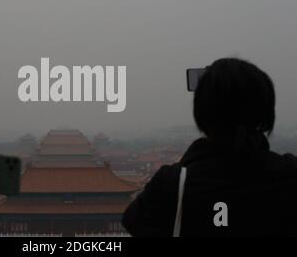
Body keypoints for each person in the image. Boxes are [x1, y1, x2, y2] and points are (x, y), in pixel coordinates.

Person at [122, 58, 297, 236]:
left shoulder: (173, 184)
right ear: (266, 110)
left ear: (202, 113)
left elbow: (134, 222)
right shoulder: (290, 174)